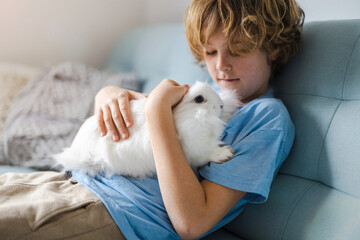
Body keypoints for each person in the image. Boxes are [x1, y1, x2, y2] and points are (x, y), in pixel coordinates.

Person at [0, 0, 304, 239]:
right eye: (210, 51)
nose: (221, 65)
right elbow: (138, 123)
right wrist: (107, 95)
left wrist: (157, 111)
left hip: (115, 212)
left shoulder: (267, 118)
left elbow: (191, 223)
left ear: (274, 49)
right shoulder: (206, 92)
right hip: (71, 181)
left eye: (239, 49)